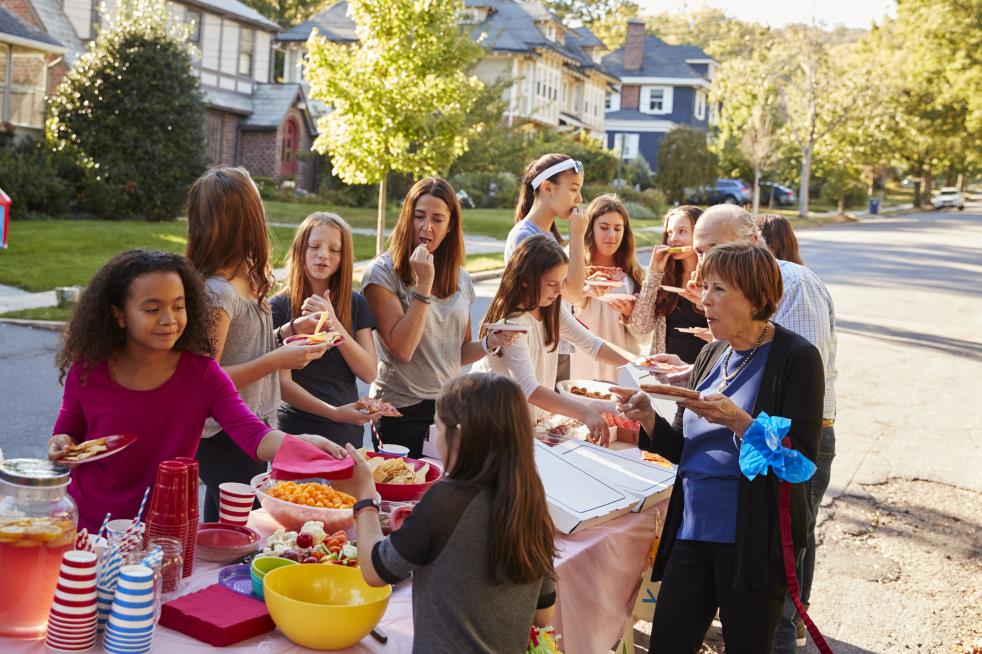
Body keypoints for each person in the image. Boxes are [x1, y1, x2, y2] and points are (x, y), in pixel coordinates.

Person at [613, 243, 824, 652]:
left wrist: (741, 423)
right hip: (691, 531)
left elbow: (800, 464)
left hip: (752, 543)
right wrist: (648, 419)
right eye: (704, 287)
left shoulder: (796, 358)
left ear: (757, 297)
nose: (704, 300)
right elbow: (681, 448)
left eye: (719, 289)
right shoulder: (711, 353)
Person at [49, 250, 345, 531]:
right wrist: (61, 443)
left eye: (179, 306)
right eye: (152, 309)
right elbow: (67, 432)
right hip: (88, 523)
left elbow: (253, 435)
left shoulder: (203, 374)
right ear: (119, 315)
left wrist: (304, 443)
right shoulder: (87, 370)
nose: (169, 319)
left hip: (167, 527)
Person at [345, 373, 557, 654]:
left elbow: (374, 572)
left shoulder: (447, 499)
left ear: (458, 434)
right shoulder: (530, 498)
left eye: (438, 425)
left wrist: (365, 497)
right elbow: (543, 614)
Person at [185, 166, 331, 522]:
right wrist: (277, 359)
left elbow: (247, 344)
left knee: (229, 523)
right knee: (242, 527)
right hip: (226, 436)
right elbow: (205, 381)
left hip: (256, 426)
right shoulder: (218, 292)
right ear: (245, 220)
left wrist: (288, 332)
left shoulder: (247, 275)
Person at [362, 177, 511, 458]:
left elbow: (458, 353)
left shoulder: (461, 278)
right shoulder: (382, 273)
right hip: (399, 410)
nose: (426, 227)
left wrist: (491, 342)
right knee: (403, 495)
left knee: (444, 495)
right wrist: (423, 286)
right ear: (407, 218)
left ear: (450, 225)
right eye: (419, 216)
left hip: (448, 407)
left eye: (437, 219)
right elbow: (402, 348)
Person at [474, 235, 634, 445]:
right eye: (551, 284)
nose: (559, 292)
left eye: (561, 283)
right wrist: (584, 412)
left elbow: (592, 344)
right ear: (525, 280)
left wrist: (639, 367)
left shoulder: (551, 309)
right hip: (493, 424)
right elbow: (530, 389)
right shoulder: (511, 325)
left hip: (529, 423)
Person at [271, 213, 382, 448]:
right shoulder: (279, 307)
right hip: (297, 431)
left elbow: (369, 372)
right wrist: (334, 412)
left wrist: (334, 323)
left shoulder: (356, 303)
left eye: (334, 250)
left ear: (344, 257)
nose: (323, 254)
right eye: (314, 246)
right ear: (301, 249)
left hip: (346, 434)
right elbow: (283, 386)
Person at [507, 154, 589, 384]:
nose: (579, 198)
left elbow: (570, 291)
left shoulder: (550, 235)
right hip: (533, 346)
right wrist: (577, 235)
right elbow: (572, 292)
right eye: (574, 189)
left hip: (555, 342)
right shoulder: (525, 236)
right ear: (547, 187)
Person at [570, 194, 650, 382]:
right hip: (580, 372)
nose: (611, 236)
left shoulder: (635, 275)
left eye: (618, 228)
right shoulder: (573, 266)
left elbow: (645, 338)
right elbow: (560, 310)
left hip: (621, 375)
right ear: (590, 229)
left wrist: (630, 315)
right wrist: (586, 291)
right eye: (604, 227)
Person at [630, 205, 710, 363]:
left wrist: (702, 301)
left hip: (704, 368)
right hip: (667, 371)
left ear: (700, 234)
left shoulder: (716, 276)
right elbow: (640, 326)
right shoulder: (665, 278)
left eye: (682, 231)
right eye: (669, 233)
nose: (673, 239)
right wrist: (653, 273)